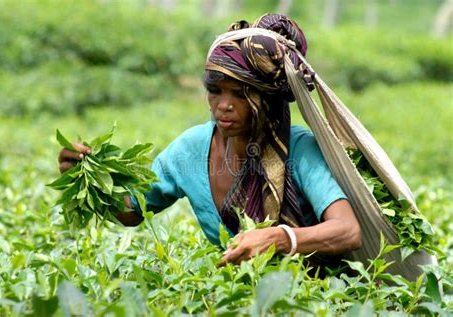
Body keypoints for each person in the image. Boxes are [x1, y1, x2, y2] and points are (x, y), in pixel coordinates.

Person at [58, 13, 361, 268]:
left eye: (240, 93)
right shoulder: (191, 149)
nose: (223, 105)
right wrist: (87, 178)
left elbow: (347, 230)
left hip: (317, 294)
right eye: (216, 90)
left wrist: (278, 238)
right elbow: (132, 211)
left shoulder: (299, 149)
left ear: (267, 98)